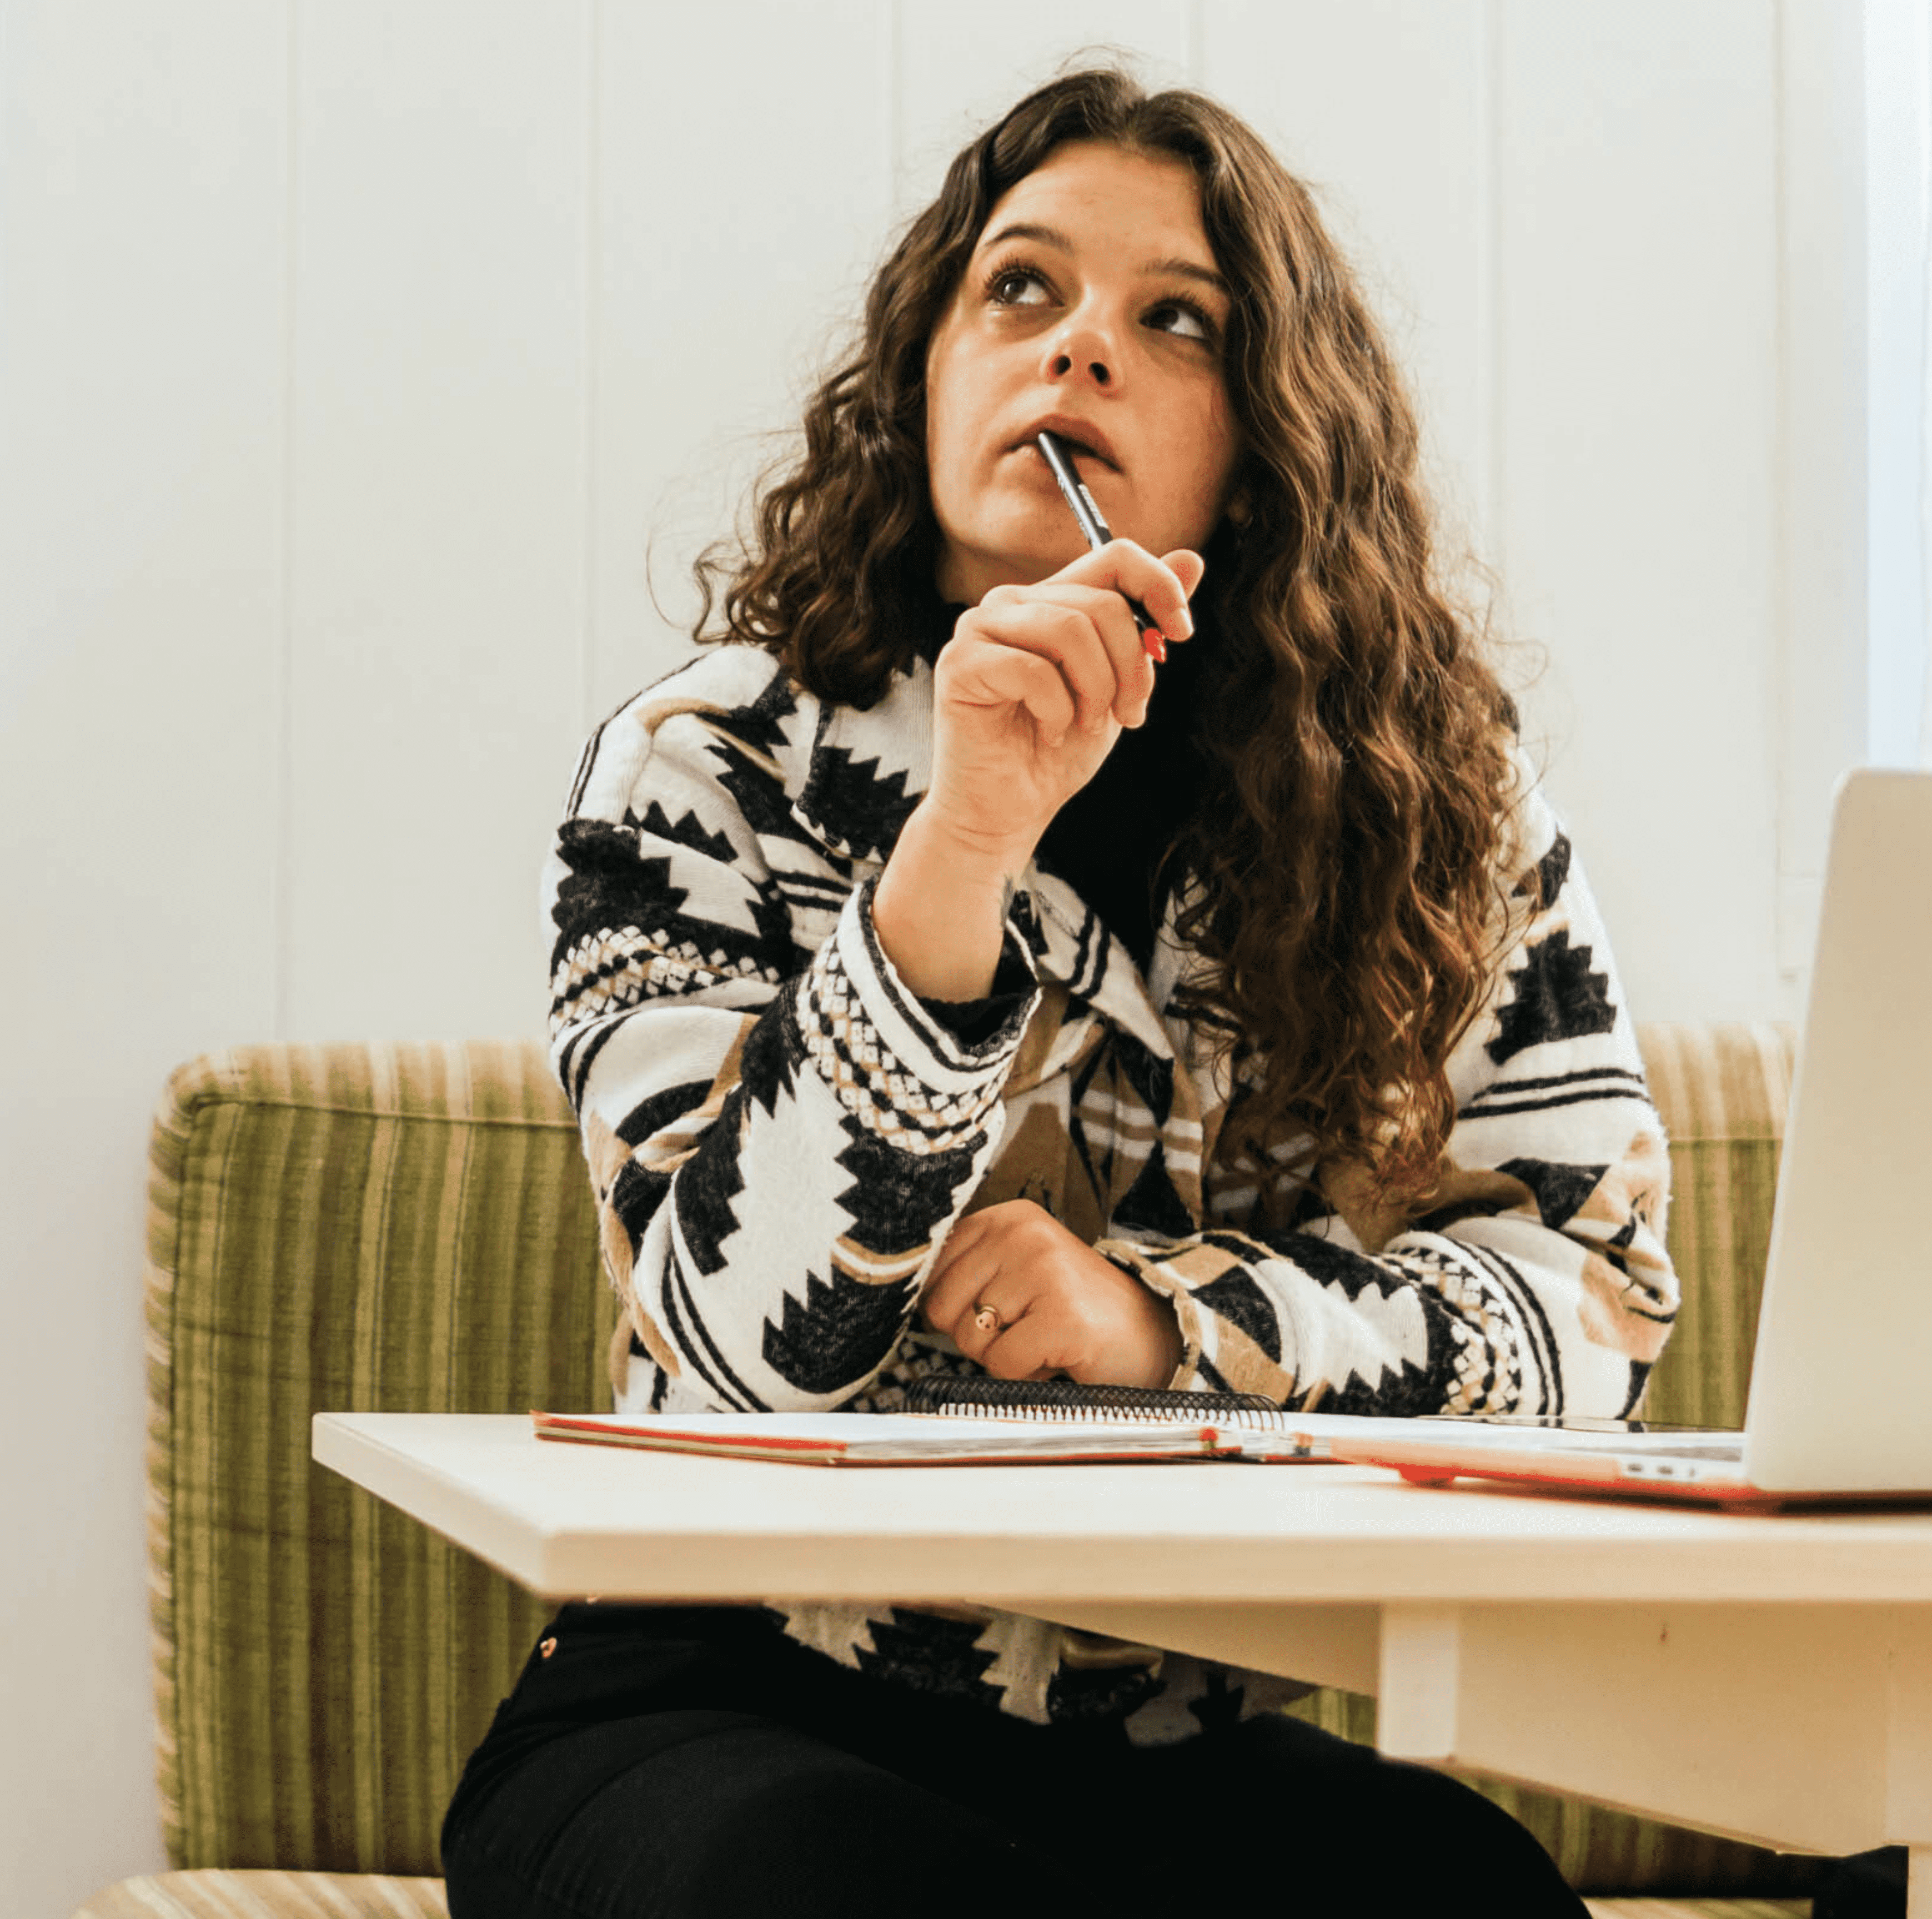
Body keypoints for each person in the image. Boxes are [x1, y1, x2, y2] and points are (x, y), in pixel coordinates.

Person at [441, 68, 1674, 1919]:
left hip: (1172, 1752)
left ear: (1261, 448)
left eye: (1173, 321)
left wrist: (1161, 1326)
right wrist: (957, 852)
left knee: (1472, 1903)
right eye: (1020, 291)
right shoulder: (702, 771)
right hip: (717, 1699)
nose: (1080, 348)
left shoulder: (1439, 818)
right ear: (924, 374)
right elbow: (737, 1345)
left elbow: (1595, 1313)